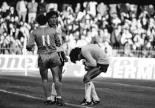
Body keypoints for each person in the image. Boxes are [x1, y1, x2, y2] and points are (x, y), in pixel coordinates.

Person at [26, 14, 64, 106]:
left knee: (44, 79)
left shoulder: (34, 32)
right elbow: (58, 43)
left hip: (42, 56)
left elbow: (29, 45)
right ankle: (58, 97)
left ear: (37, 21)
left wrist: (30, 48)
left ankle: (48, 98)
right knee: (56, 77)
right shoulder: (52, 30)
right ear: (46, 21)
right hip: (53, 55)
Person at [46, 10, 68, 104]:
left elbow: (61, 42)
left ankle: (53, 97)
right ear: (48, 19)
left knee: (58, 76)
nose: (54, 19)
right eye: (52, 17)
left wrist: (63, 54)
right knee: (56, 76)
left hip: (60, 53)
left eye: (56, 17)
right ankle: (57, 97)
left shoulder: (59, 29)